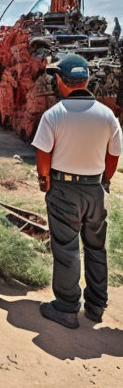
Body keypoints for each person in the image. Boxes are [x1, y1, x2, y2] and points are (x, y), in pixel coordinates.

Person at [32, 53, 121, 329]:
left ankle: (67, 307)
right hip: (94, 190)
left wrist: (44, 180)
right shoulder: (107, 116)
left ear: (62, 81)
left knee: (67, 247)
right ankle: (96, 306)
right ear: (86, 80)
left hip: (64, 189)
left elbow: (43, 155)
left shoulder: (54, 115)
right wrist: (103, 180)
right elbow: (114, 156)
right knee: (96, 248)